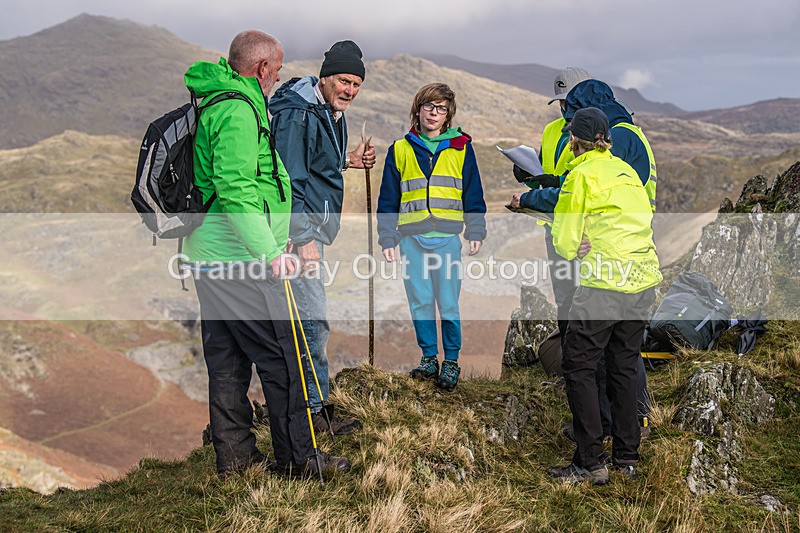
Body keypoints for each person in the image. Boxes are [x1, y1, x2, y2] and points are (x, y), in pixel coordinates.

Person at [183, 30, 349, 477]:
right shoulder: (238, 109)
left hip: (210, 257)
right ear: (261, 68)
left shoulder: (217, 99)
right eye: (275, 70)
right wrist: (269, 253)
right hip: (241, 260)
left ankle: (236, 460)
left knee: (227, 364)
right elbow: (236, 188)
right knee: (284, 358)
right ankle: (301, 459)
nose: (277, 78)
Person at [511, 77, 656, 439]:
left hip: (603, 263)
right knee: (620, 352)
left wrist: (528, 202)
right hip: (635, 265)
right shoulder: (619, 148)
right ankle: (626, 444)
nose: (565, 123)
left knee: (589, 356)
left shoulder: (609, 150)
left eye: (569, 115)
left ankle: (599, 441)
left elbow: (571, 197)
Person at [542, 107, 661, 484]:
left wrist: (575, 243)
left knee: (579, 364)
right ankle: (628, 457)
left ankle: (589, 462)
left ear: (574, 140)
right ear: (606, 139)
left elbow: (563, 240)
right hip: (643, 281)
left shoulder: (579, 176)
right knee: (624, 364)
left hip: (604, 284)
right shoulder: (626, 172)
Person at [269, 40, 376, 434]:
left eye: (356, 85)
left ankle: (307, 405)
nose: (350, 90)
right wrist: (303, 238)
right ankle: (313, 411)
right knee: (312, 321)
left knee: (304, 321)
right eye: (344, 81)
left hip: (307, 232)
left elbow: (315, 164)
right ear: (326, 77)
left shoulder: (326, 111)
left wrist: (348, 160)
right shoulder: (298, 116)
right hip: (297, 236)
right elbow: (289, 181)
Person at [377, 83, 487, 391]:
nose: (434, 113)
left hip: (448, 238)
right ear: (418, 110)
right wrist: (387, 237)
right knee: (420, 301)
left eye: (440, 108)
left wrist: (475, 229)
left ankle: (451, 361)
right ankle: (428, 357)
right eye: (428, 107)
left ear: (448, 113)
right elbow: (388, 199)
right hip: (411, 239)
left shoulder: (461, 147)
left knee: (448, 302)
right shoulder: (400, 149)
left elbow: (473, 192)